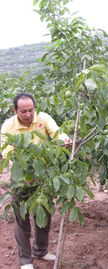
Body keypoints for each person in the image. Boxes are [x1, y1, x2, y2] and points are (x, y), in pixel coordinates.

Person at [0, 92, 72, 269]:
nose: (28, 115)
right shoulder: (8, 126)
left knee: (44, 214)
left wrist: (64, 140)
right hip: (20, 176)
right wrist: (24, 176)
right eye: (23, 111)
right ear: (15, 110)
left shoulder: (43, 118)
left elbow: (57, 132)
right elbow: (7, 153)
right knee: (22, 217)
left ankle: (40, 250)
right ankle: (25, 260)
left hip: (42, 174)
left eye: (31, 110)